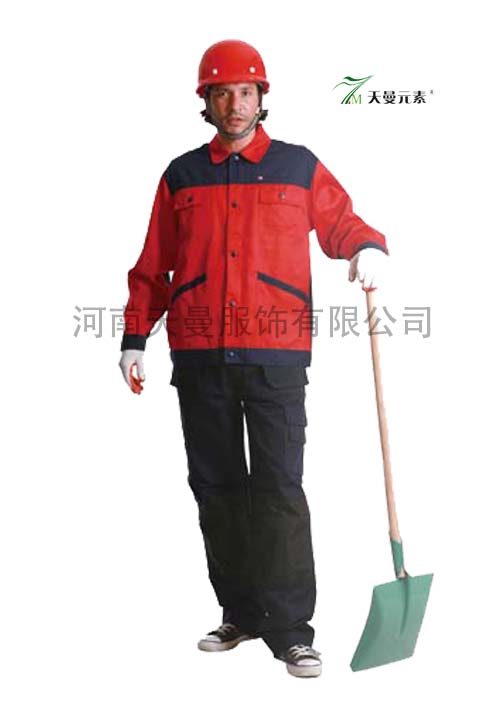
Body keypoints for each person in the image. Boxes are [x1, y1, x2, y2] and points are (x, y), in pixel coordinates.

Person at [118, 39, 389, 678]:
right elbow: (155, 262)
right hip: (200, 356)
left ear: (261, 98)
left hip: (276, 355)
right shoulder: (182, 176)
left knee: (279, 490)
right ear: (206, 102)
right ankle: (240, 612)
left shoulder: (297, 167)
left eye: (245, 92)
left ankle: (291, 631)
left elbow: (341, 221)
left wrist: (366, 247)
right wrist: (134, 337)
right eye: (222, 93)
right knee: (216, 490)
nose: (234, 104)